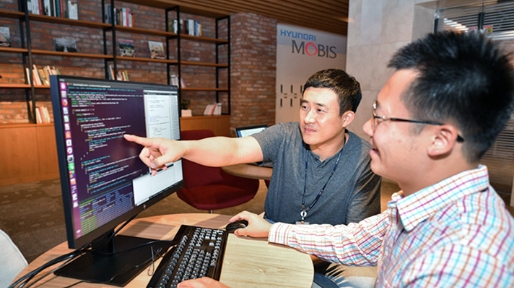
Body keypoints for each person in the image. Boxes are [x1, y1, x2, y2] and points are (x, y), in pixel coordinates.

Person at [178, 31, 514, 287]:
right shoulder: (417, 208)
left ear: (440, 140)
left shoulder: (460, 261)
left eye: (382, 118)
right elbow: (352, 240)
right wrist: (272, 228)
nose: (369, 127)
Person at [124, 68, 381, 227]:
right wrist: (181, 148)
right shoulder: (285, 135)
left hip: (327, 254)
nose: (308, 118)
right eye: (304, 106)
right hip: (270, 234)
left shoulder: (363, 159)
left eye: (320, 110)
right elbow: (233, 149)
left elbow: (357, 237)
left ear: (346, 118)